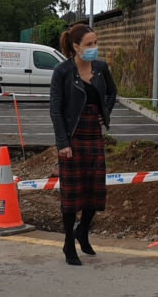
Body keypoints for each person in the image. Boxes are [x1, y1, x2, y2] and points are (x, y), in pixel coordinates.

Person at [49, 24, 117, 265]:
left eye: (95, 43)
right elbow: (55, 109)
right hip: (73, 137)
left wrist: (105, 114)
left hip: (94, 135)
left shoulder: (100, 68)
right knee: (71, 196)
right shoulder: (62, 71)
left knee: (95, 193)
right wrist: (62, 143)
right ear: (76, 47)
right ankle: (69, 243)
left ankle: (83, 231)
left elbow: (112, 93)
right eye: (89, 44)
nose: (94, 48)